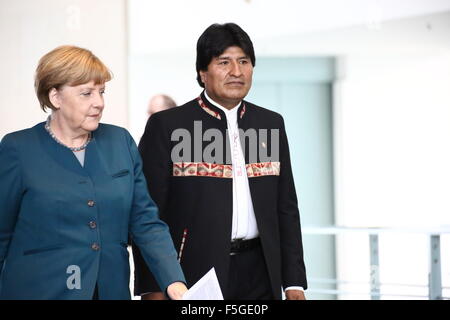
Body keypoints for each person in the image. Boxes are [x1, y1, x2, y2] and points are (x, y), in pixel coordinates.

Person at [132, 23, 307, 300]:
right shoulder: (168, 126)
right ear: (203, 73)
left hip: (261, 272)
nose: (236, 72)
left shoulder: (270, 124)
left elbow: (286, 208)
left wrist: (294, 282)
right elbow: (147, 213)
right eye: (224, 62)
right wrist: (153, 288)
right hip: (191, 274)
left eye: (244, 61)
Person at [0, 45, 187, 300]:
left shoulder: (120, 141)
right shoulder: (17, 149)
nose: (99, 102)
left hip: (109, 291)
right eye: (86, 93)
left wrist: (173, 280)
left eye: (101, 92)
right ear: (55, 97)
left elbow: (145, 220)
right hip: (40, 291)